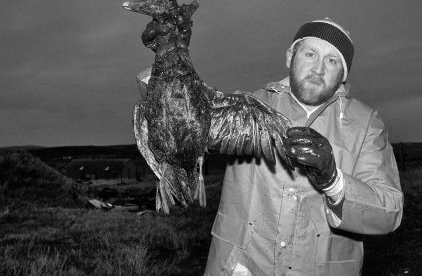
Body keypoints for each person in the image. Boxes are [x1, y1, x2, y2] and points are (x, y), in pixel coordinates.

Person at [136, 18, 403, 276]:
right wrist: (170, 51)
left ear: (343, 74)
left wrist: (334, 181)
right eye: (310, 54)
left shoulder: (367, 124)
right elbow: (182, 117)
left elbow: (389, 212)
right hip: (241, 267)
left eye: (332, 61)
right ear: (290, 56)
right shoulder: (246, 107)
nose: (319, 69)